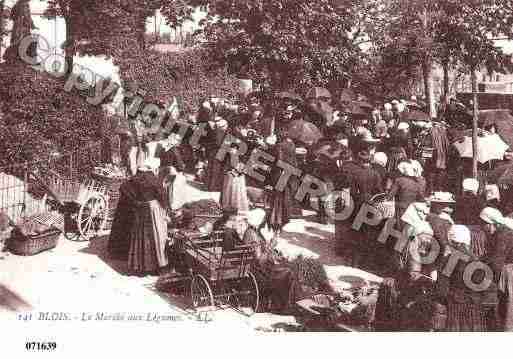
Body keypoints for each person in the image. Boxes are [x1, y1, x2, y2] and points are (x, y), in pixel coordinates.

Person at [243, 209, 295, 312]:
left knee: (287, 268)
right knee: (288, 273)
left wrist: (274, 252)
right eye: (264, 220)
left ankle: (280, 303)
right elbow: (260, 260)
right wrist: (271, 245)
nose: (265, 222)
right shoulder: (252, 235)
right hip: (258, 272)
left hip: (261, 268)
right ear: (258, 221)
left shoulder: (254, 231)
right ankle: (282, 306)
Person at [127, 159, 169, 276]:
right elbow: (162, 196)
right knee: (156, 236)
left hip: (140, 210)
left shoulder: (134, 179)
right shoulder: (153, 180)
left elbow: (124, 189)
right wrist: (165, 209)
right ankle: (157, 265)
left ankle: (139, 266)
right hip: (152, 209)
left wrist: (135, 202)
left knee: (140, 236)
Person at [480, 207, 513, 331]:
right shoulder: (501, 232)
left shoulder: (503, 234)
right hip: (507, 270)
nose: (483, 228)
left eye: (484, 224)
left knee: (509, 306)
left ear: (491, 223)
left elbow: (497, 261)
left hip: (509, 271)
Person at [388, 161, 427, 228]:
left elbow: (390, 195)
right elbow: (421, 197)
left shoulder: (399, 180)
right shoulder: (416, 183)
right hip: (411, 209)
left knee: (398, 227)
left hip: (400, 207)